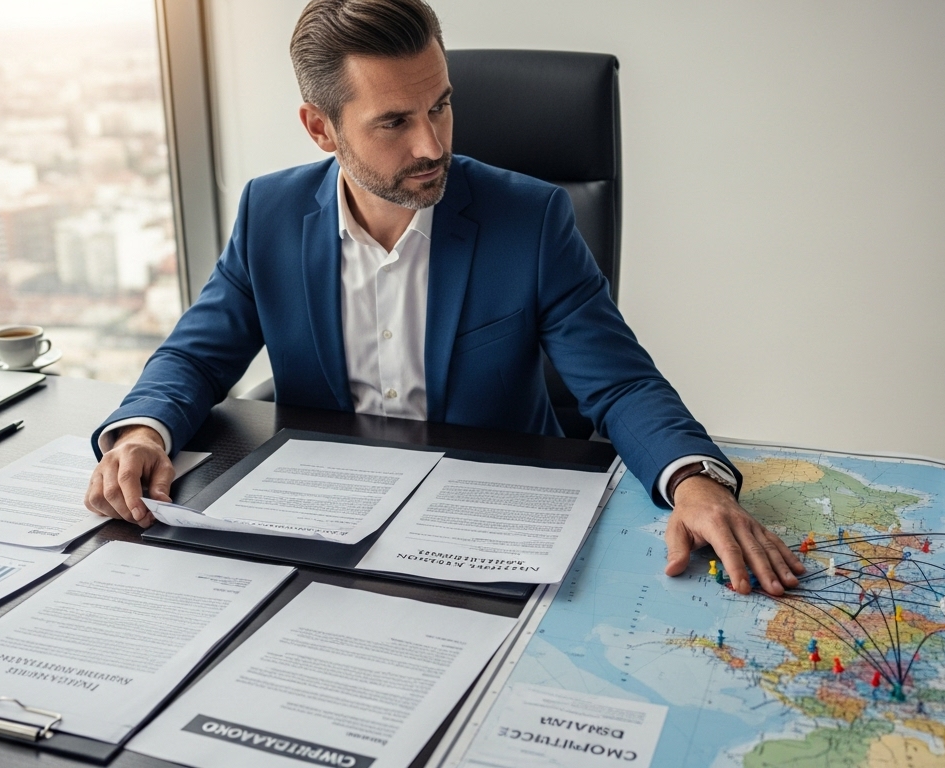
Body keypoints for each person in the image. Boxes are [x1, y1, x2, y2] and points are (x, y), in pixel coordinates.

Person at [84, 0, 804, 595]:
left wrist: (695, 483)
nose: (433, 145)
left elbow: (618, 384)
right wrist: (144, 433)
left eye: (442, 106)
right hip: (324, 526)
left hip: (485, 528)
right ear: (320, 129)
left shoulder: (532, 219)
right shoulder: (269, 213)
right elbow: (196, 355)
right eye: (395, 122)